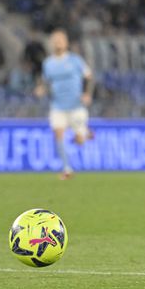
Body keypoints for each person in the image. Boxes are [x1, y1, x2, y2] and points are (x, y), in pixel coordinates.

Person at [35, 29, 93, 180]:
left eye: (61, 40)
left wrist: (87, 93)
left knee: (79, 141)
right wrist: (41, 89)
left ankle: (84, 134)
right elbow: (45, 82)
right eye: (55, 40)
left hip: (76, 105)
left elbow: (89, 76)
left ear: (66, 42)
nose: (58, 43)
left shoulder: (75, 60)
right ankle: (67, 168)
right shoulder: (48, 64)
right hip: (58, 106)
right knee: (58, 133)